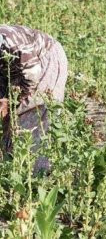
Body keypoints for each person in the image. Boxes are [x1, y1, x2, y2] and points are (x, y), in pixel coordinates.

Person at [0, 25, 68, 172]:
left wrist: (10, 103)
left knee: (36, 114)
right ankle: (12, 167)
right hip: (15, 71)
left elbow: (30, 79)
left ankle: (38, 175)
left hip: (44, 61)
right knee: (10, 121)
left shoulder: (11, 45)